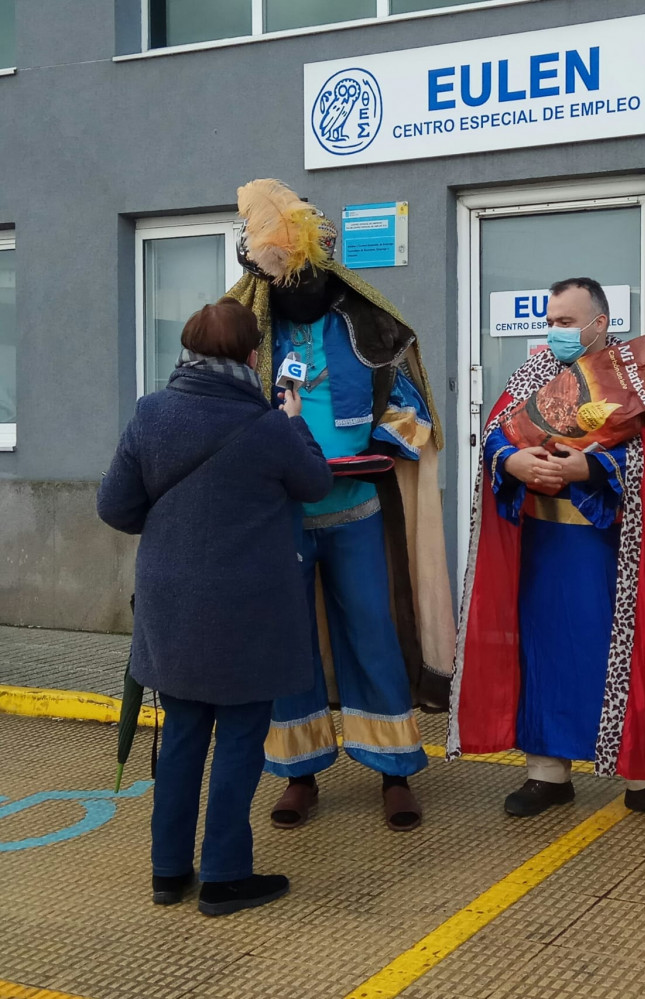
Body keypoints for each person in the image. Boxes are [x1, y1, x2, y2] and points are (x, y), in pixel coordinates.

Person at [226, 179, 457, 833]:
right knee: (288, 643)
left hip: (356, 511)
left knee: (373, 635)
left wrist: (380, 442)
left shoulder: (364, 326)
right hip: (280, 522)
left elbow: (412, 412)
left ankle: (394, 768)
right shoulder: (250, 334)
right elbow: (223, 416)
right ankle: (299, 774)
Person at [97, 298, 333, 916]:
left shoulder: (151, 416)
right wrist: (296, 420)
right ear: (253, 358)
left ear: (187, 352)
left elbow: (115, 509)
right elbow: (316, 485)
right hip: (249, 614)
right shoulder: (269, 425)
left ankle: (169, 873)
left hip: (171, 609)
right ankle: (226, 877)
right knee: (237, 742)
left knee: (180, 739)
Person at [448, 278, 645, 825]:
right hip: (544, 543)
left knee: (630, 651)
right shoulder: (533, 373)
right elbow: (495, 431)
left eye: (565, 321)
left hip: (612, 547)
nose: (554, 331)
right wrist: (510, 461)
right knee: (547, 653)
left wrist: (592, 467)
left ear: (598, 325)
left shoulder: (639, 376)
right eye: (550, 320)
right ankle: (547, 774)